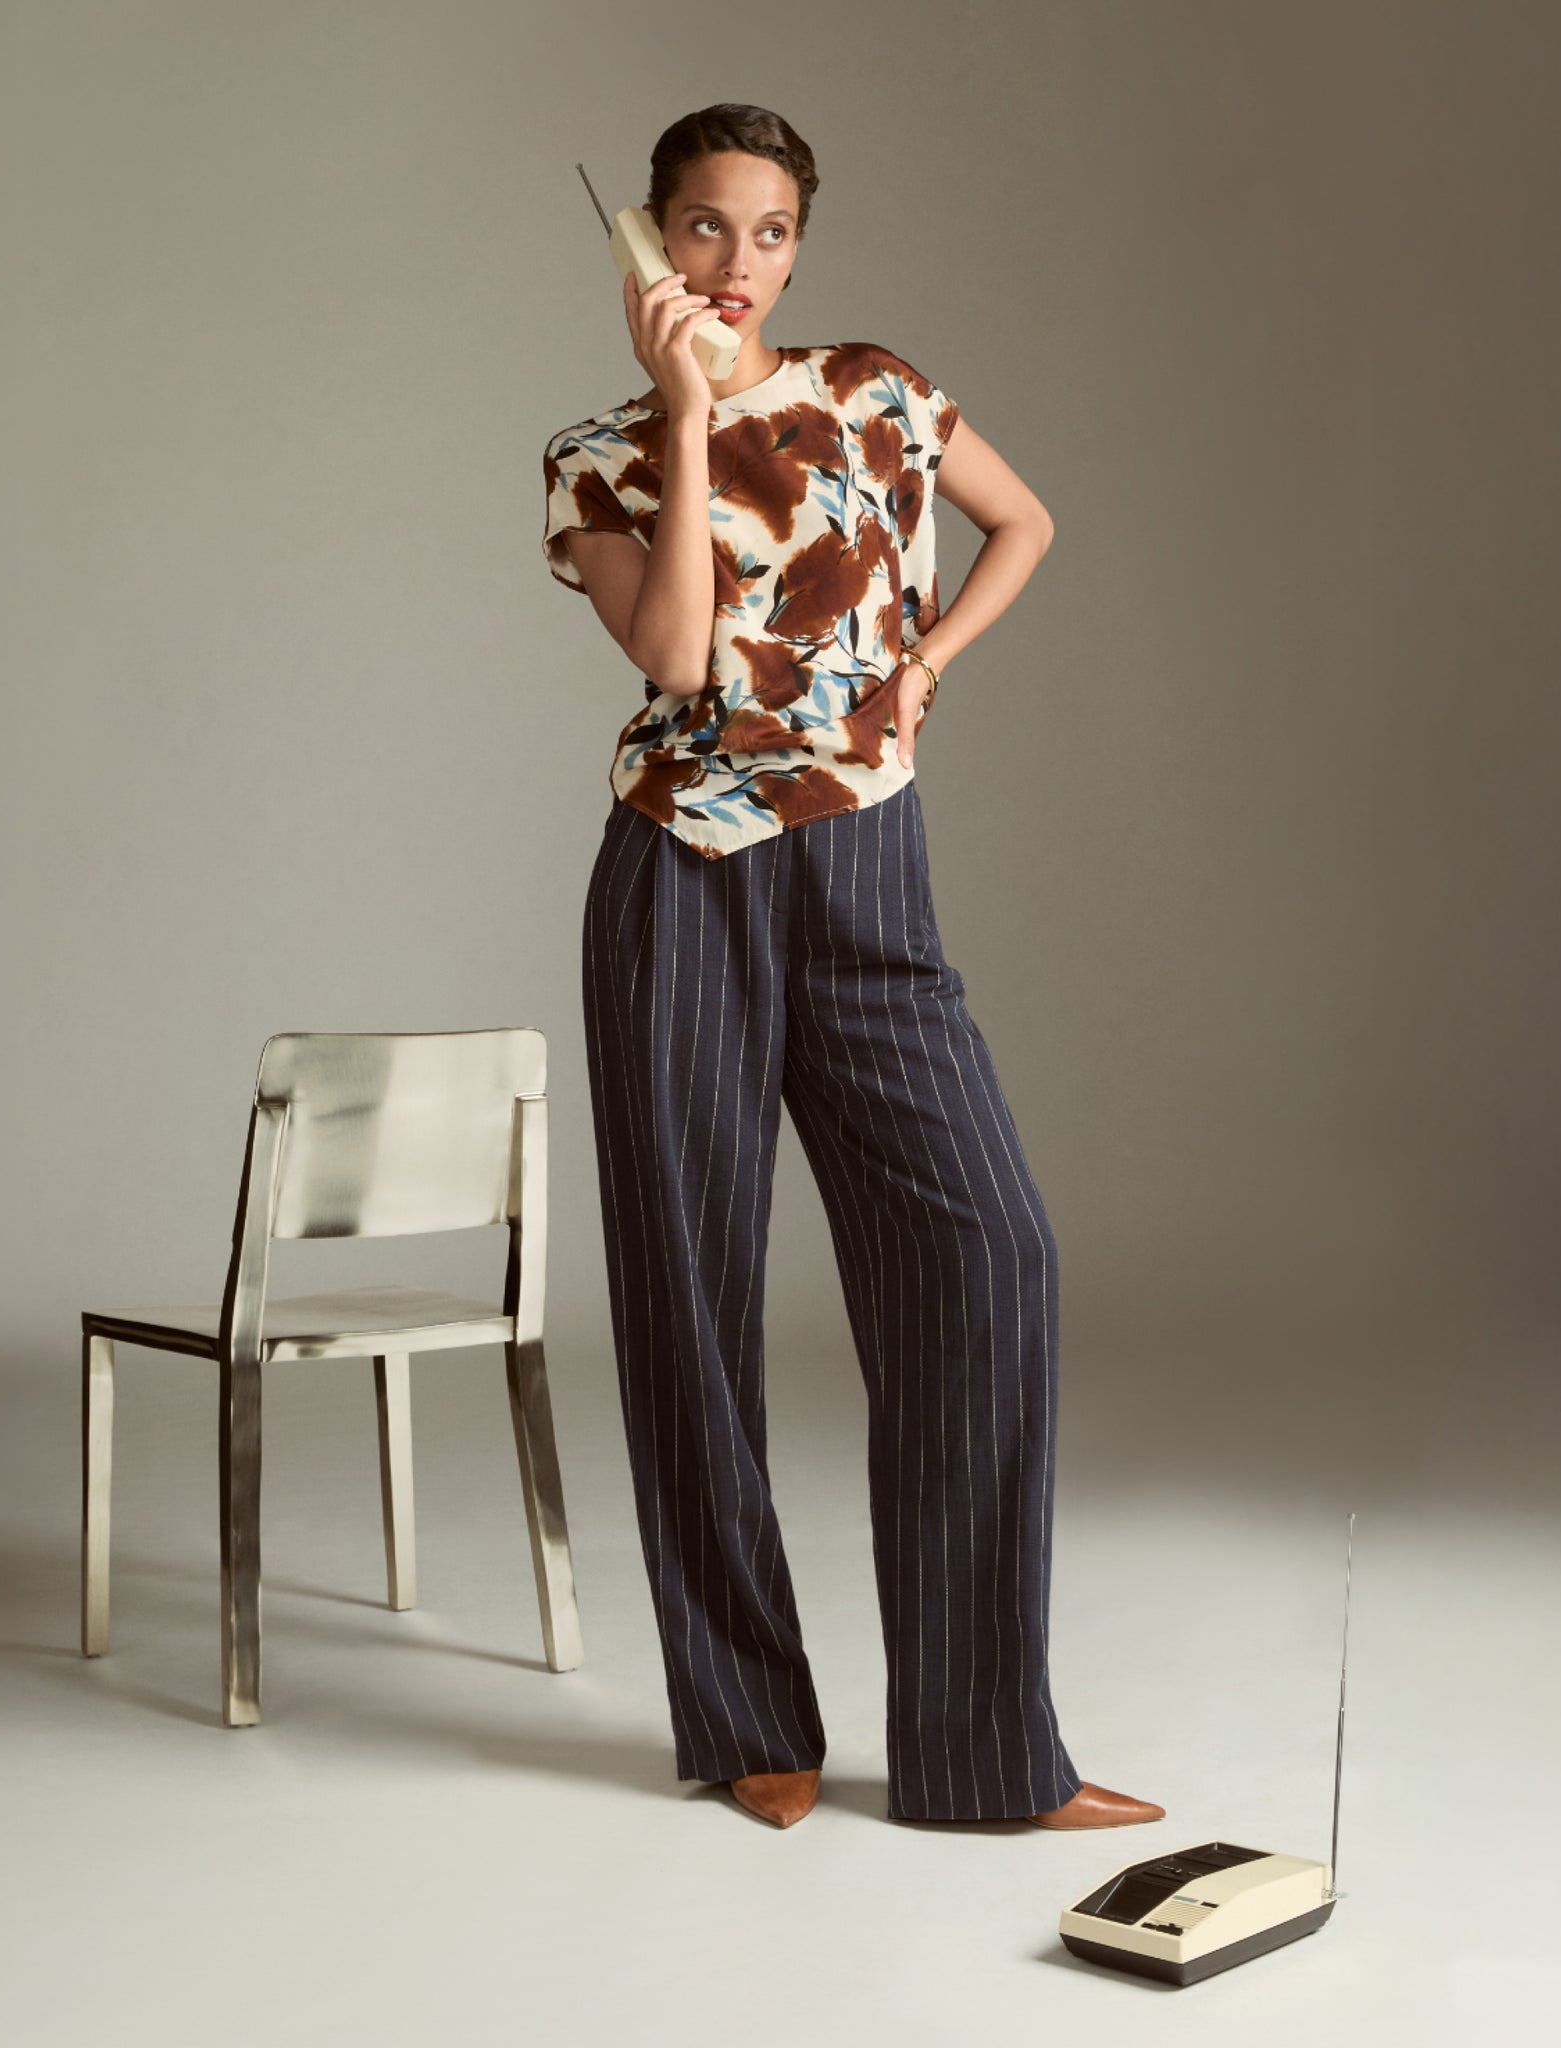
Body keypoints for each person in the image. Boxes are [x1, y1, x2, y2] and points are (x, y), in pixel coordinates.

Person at [542, 104, 1164, 1834]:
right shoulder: (594, 455)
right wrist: (683, 413)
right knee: (688, 1299)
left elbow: (1022, 522)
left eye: (764, 232)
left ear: (798, 247)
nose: (732, 263)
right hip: (681, 883)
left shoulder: (878, 392)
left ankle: (982, 1756)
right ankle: (751, 1721)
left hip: (871, 879)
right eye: (699, 227)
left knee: (989, 1258)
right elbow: (676, 657)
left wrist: (932, 665)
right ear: (651, 241)